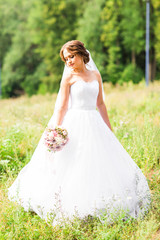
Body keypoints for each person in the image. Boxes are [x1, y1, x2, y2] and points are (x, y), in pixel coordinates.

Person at [8, 40, 151, 226]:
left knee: (98, 161)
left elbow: (100, 104)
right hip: (74, 123)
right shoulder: (68, 78)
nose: (68, 61)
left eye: (71, 56)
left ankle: (101, 199)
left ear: (82, 54)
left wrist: (109, 130)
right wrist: (55, 130)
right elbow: (61, 106)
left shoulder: (95, 75)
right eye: (66, 59)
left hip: (95, 123)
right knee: (74, 162)